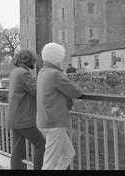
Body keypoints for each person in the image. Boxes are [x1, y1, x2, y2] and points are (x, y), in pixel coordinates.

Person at [36, 42, 84, 170]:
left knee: (68, 154)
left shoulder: (42, 72)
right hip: (54, 123)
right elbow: (77, 92)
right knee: (49, 163)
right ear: (57, 58)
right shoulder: (55, 74)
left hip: (44, 121)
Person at [5, 49, 45, 170]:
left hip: (14, 117)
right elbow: (35, 90)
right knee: (40, 144)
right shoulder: (23, 73)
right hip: (23, 118)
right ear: (29, 61)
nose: (34, 63)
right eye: (33, 61)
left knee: (17, 151)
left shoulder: (15, 72)